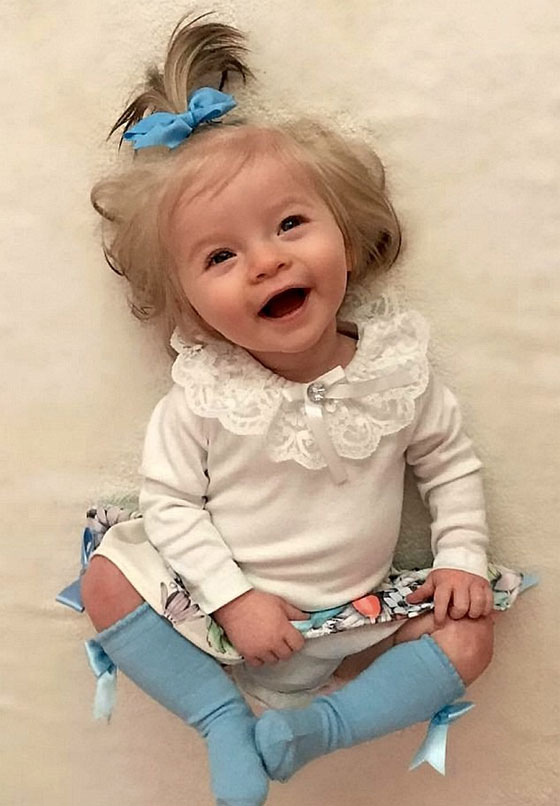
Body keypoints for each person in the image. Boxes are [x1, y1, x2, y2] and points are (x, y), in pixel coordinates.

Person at [80, 14, 508, 806]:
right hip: (221, 610)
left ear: (345, 235)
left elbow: (449, 464)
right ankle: (220, 719)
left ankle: (320, 729)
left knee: (470, 635)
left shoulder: (395, 372)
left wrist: (460, 556)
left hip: (357, 617)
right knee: (106, 577)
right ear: (188, 304)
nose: (267, 261)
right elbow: (171, 504)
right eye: (221, 256)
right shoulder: (205, 395)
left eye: (289, 224)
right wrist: (233, 598)